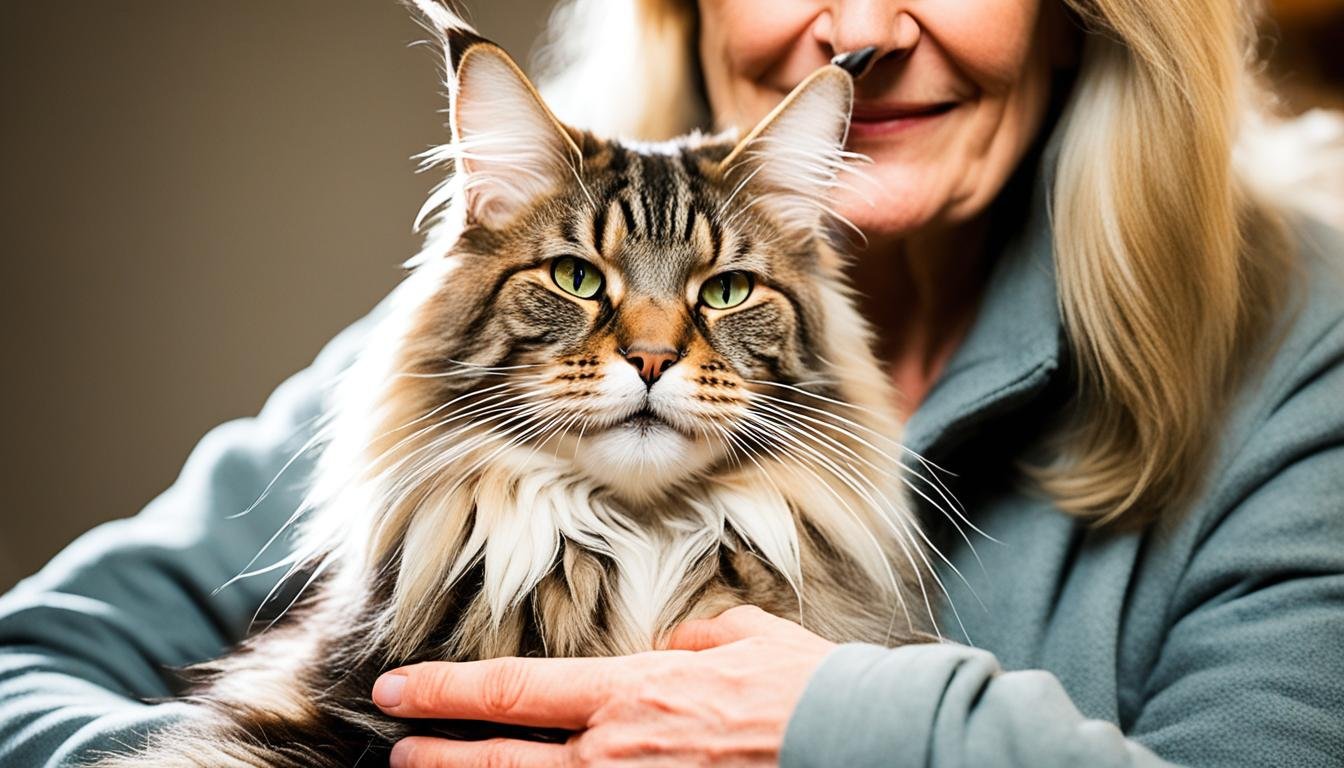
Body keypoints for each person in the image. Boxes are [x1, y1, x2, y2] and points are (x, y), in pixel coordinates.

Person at [2, 0, 1341, 766]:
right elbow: (27, 670)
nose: (867, 25)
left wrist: (844, 733)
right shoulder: (487, 333)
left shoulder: (1306, 338)